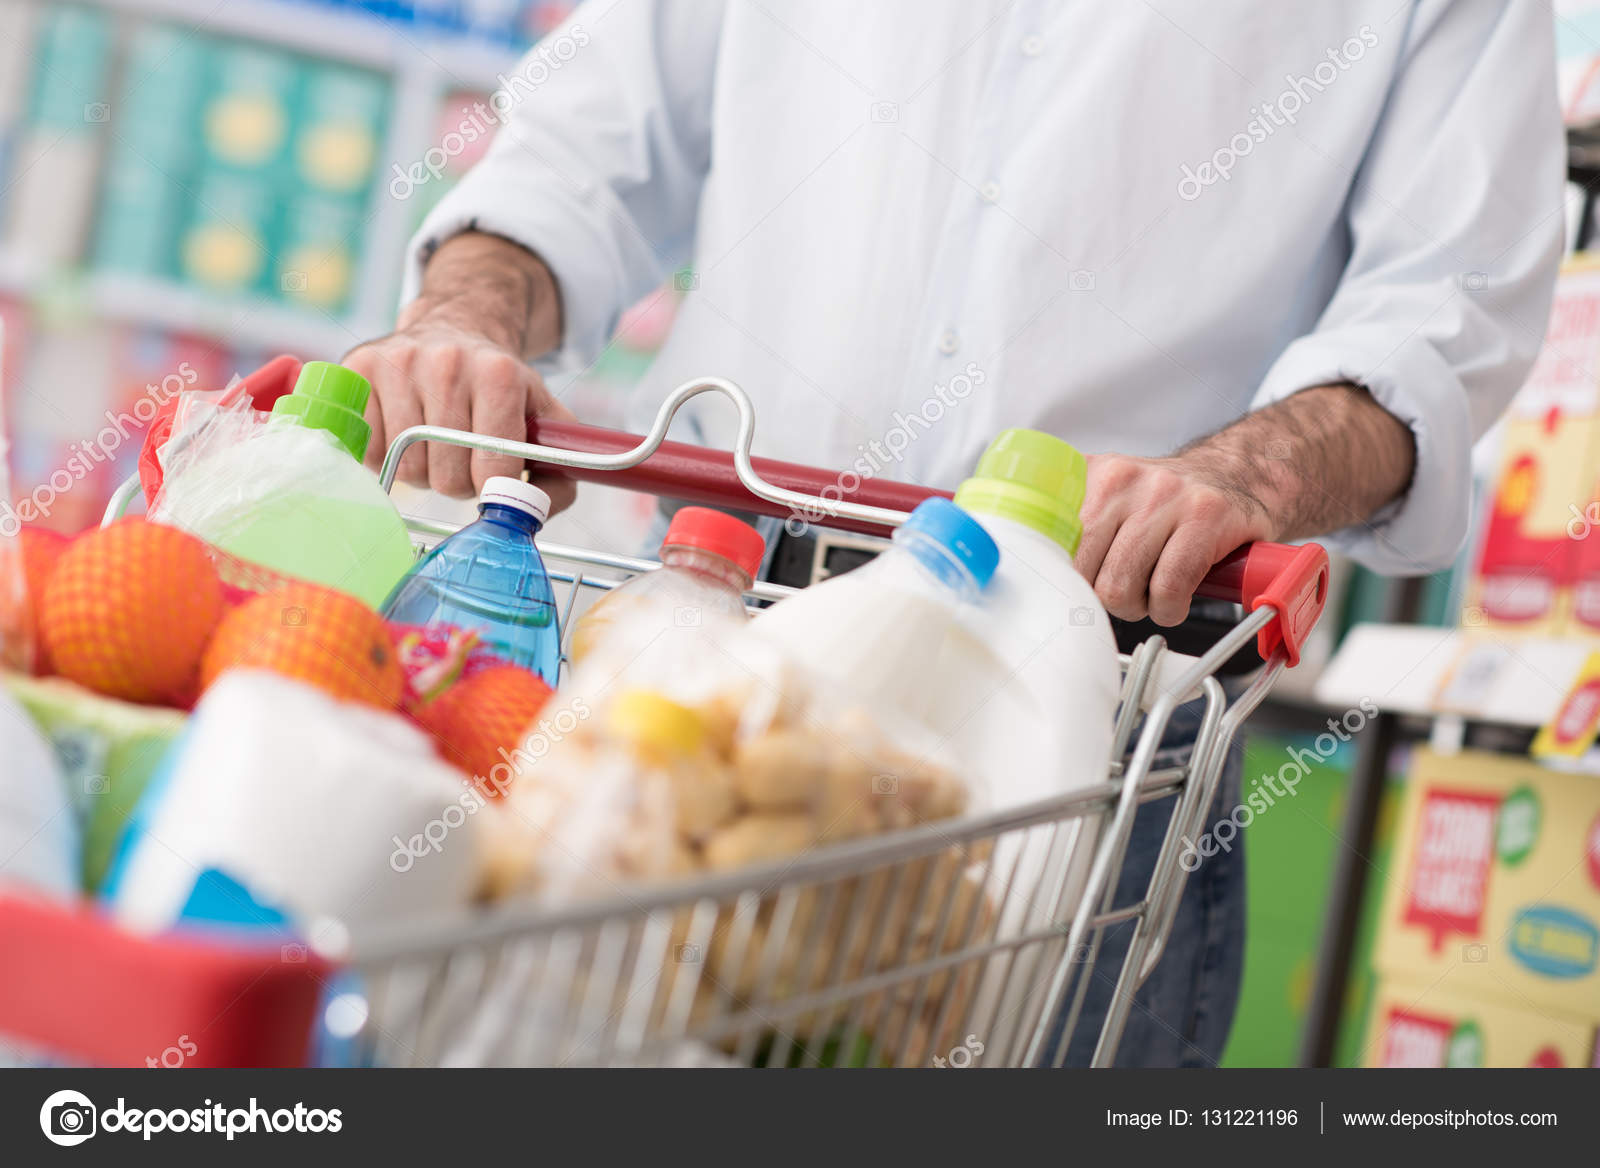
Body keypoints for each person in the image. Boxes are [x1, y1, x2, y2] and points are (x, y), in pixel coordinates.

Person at [346, 1, 1564, 1065]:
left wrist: (1245, 475)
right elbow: (580, 150)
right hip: (710, 653)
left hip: (1102, 691)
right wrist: (465, 319)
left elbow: (1445, 309)